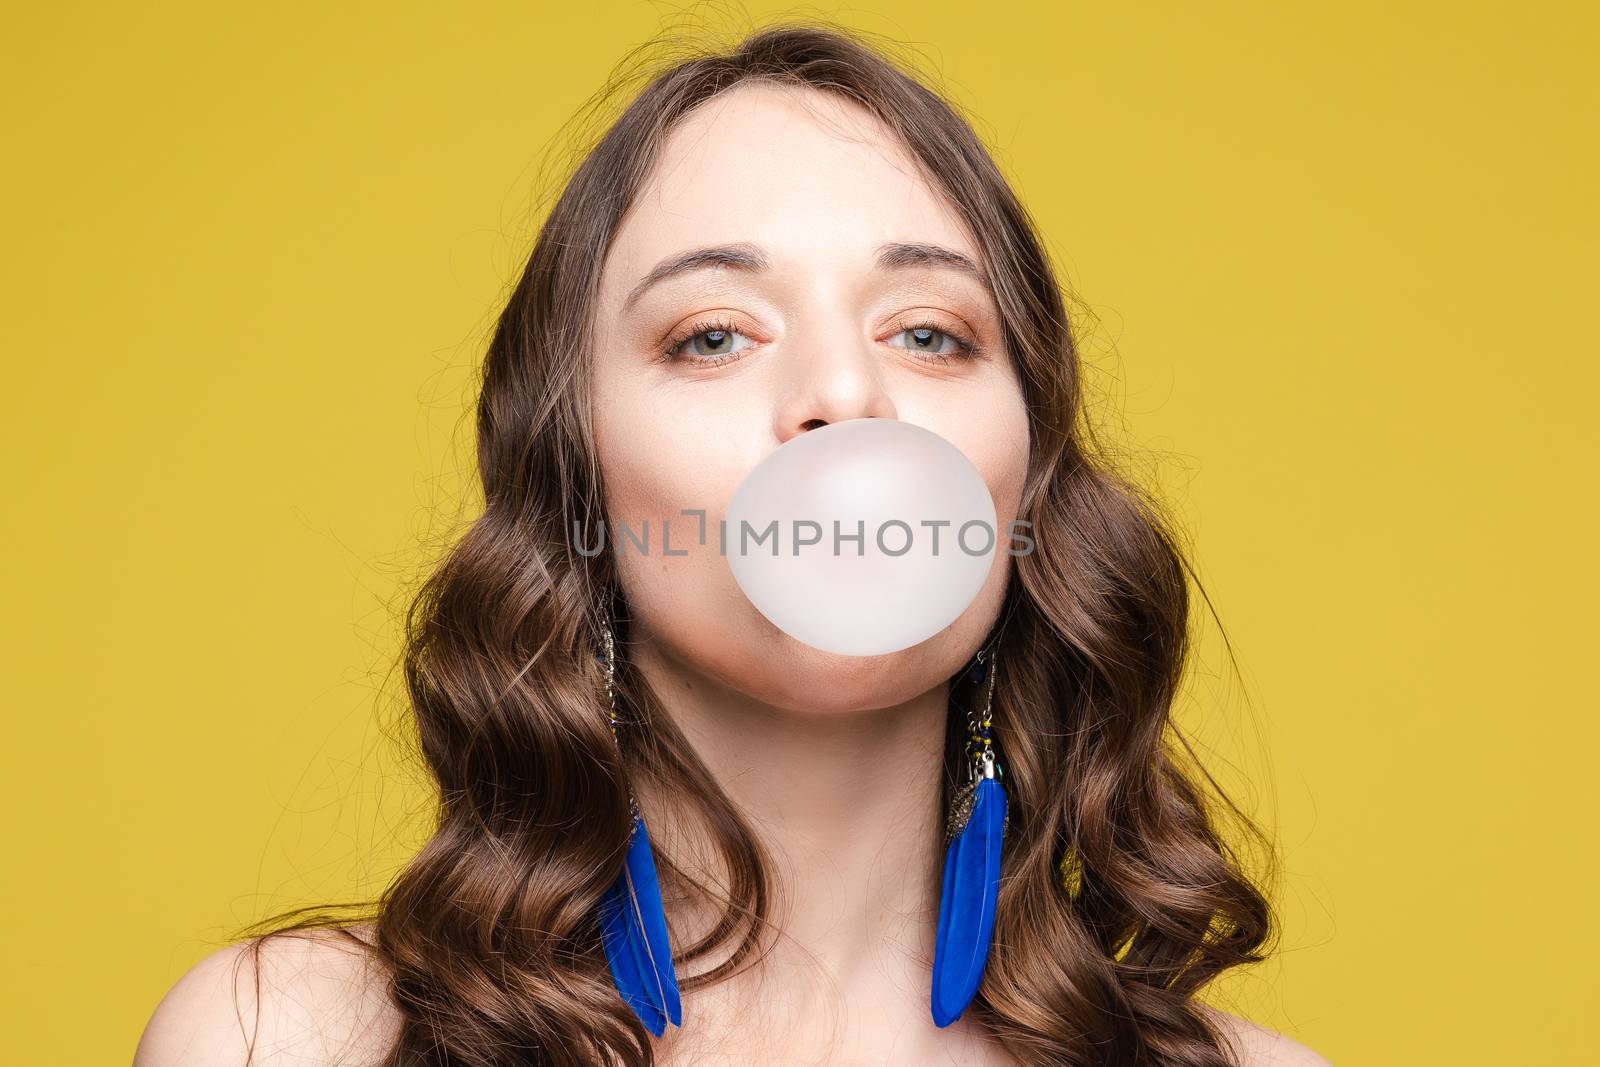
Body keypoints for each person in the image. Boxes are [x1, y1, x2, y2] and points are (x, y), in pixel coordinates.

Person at [133, 23, 1333, 1067]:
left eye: (928, 331)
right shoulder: (285, 1039)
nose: (843, 393)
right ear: (577, 477)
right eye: (712, 335)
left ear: (1024, 485)